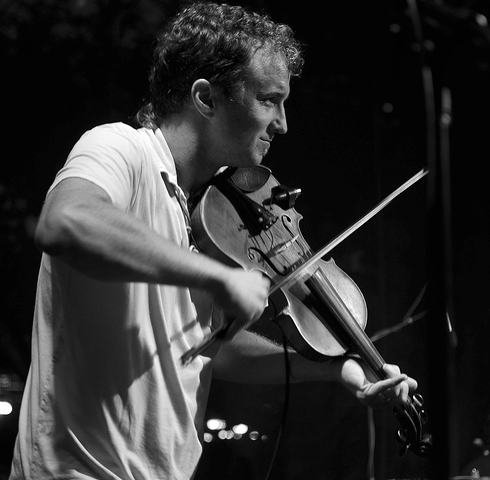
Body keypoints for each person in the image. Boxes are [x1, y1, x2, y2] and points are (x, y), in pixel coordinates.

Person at [9, 2, 418, 479]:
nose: (282, 123)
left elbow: (209, 351)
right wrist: (218, 278)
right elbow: (65, 221)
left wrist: (332, 367)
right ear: (205, 98)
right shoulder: (122, 148)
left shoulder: (202, 214)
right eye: (269, 99)